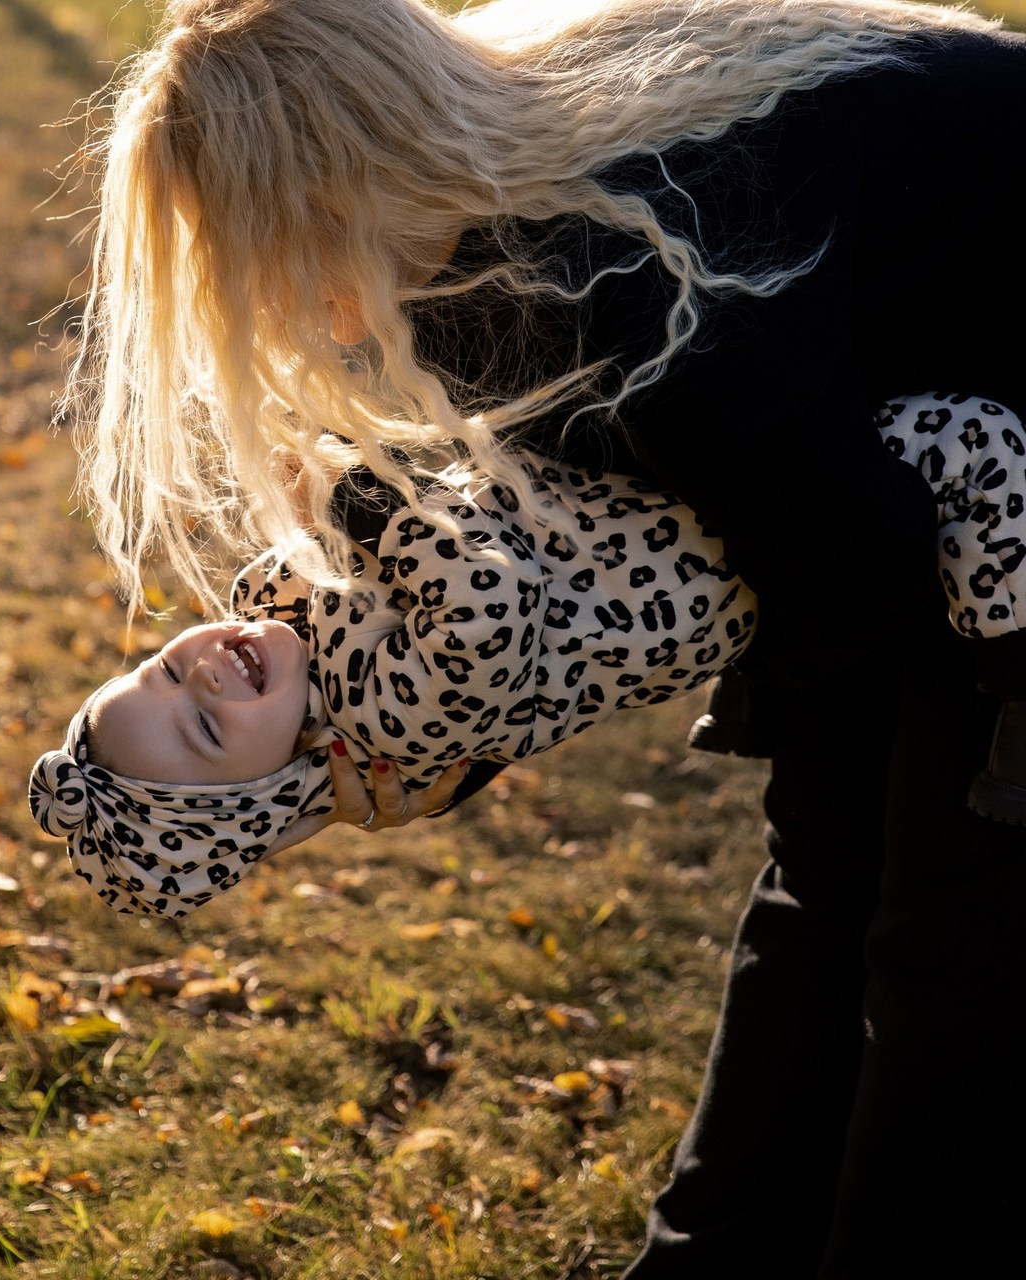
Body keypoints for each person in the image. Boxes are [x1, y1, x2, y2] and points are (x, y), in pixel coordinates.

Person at [59, 1, 1026, 1274]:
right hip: (887, 465)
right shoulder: (494, 233)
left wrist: (371, 531)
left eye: (257, 253)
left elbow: (855, 578)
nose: (266, 302)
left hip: (971, 471)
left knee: (947, 925)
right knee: (833, 871)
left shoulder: (643, 269)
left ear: (335, 195)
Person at [31, 391, 1024, 914]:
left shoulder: (283, 627)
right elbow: (481, 603)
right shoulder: (391, 729)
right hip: (703, 562)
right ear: (271, 791)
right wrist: (352, 495)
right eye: (205, 729)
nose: (204, 673)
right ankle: (1012, 677)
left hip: (627, 496)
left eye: (166, 669)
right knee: (976, 445)